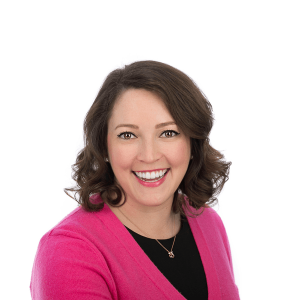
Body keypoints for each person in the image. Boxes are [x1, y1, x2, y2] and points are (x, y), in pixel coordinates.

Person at [30, 60, 240, 299]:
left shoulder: (209, 223)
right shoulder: (69, 251)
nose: (149, 156)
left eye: (168, 133)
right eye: (127, 135)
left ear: (193, 143)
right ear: (104, 146)